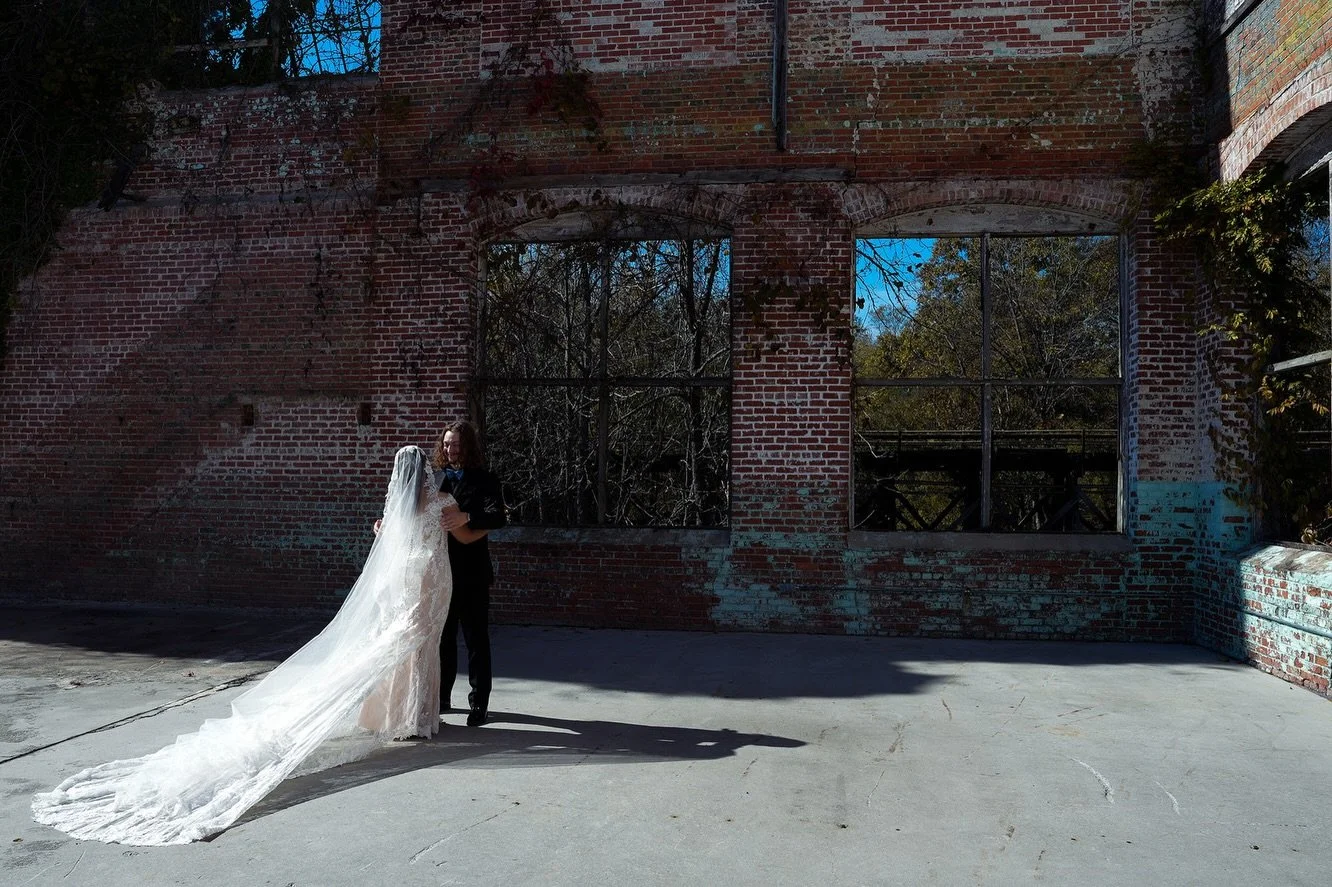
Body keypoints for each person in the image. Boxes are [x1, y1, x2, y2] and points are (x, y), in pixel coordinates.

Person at [32, 446, 456, 846]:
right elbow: (454, 526)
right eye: (426, 473)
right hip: (420, 591)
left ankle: (404, 717)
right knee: (408, 655)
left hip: (411, 591)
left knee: (405, 657)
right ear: (422, 476)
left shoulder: (400, 513)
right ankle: (410, 719)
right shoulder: (435, 507)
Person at [432, 420, 507, 727]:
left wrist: (468, 515)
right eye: (447, 444)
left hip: (473, 572)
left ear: (469, 446)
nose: (451, 450)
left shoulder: (486, 479)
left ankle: (479, 705)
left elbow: (499, 517)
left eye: (457, 444)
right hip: (439, 572)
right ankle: (442, 697)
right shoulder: (434, 478)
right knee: (442, 639)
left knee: (476, 641)